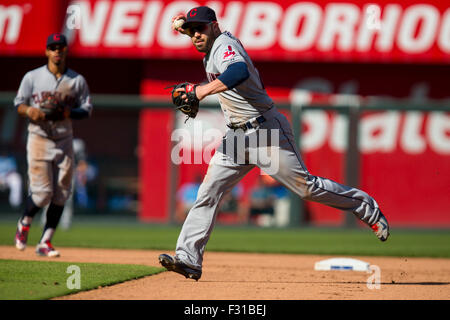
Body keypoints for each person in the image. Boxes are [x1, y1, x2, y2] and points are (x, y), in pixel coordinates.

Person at [159, 6, 389, 281]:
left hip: (263, 130)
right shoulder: (206, 40)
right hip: (235, 136)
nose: (196, 34)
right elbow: (193, 29)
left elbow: (238, 71)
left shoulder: (223, 44)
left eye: (202, 28)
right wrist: (182, 25)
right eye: (192, 30)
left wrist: (202, 90)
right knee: (208, 193)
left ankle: (366, 208)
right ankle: (189, 259)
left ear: (215, 26)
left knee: (306, 188)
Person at [14, 33, 93, 257]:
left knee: (62, 194)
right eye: (53, 47)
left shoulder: (76, 80)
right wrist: (30, 110)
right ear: (47, 51)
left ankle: (45, 242)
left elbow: (87, 109)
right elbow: (19, 104)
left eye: (61, 47)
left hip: (63, 138)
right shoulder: (32, 77)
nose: (57, 50)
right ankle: (25, 222)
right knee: (41, 194)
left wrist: (69, 111)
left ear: (66, 50)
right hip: (39, 136)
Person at [0, 145, 22, 209]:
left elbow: (13, 170)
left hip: (7, 178)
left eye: (5, 151)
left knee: (17, 178)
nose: (4, 152)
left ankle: (15, 204)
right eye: (2, 151)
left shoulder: (10, 158)